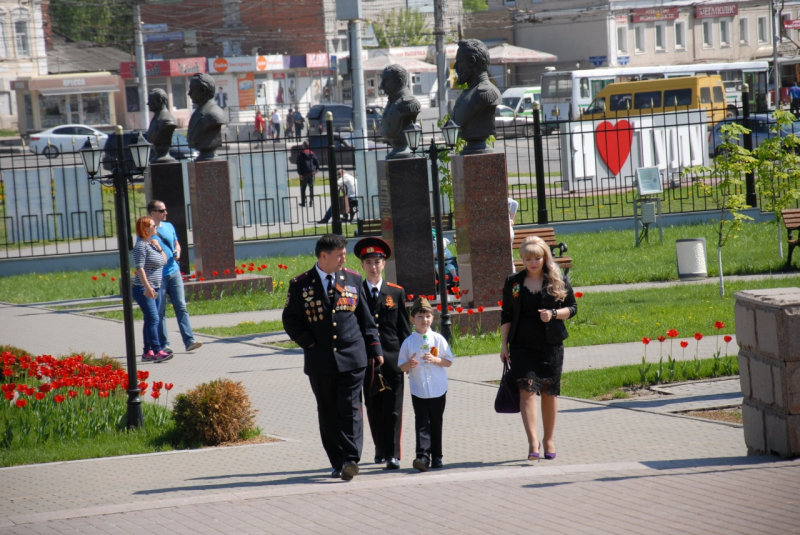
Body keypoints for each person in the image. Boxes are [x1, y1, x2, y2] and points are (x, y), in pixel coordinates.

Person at [282, 234, 384, 481]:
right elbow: (290, 320)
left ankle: (351, 458)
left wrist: (375, 349)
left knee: (350, 407)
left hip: (353, 357)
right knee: (328, 412)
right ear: (323, 256)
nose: (343, 259)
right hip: (321, 361)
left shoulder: (352, 278)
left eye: (344, 254)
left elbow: (365, 319)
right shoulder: (300, 284)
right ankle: (337, 461)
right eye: (339, 255)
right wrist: (309, 343)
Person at [499, 236, 577, 462]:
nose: (533, 262)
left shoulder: (556, 278)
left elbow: (572, 308)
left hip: (550, 345)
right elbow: (506, 314)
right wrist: (504, 345)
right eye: (528, 258)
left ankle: (549, 439)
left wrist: (553, 314)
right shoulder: (513, 281)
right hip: (521, 345)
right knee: (526, 390)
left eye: (537, 258)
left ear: (545, 257)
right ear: (522, 259)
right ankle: (533, 442)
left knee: (549, 392)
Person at [354, 237, 412, 470]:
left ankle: (393, 454)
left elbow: (404, 329)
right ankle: (380, 449)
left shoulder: (395, 293)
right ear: (362, 266)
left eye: (377, 261)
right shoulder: (355, 292)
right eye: (368, 262)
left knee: (394, 409)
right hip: (366, 360)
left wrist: (408, 359)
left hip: (393, 360)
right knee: (373, 407)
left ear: (384, 263)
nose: (373, 266)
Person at [398, 296, 453, 472]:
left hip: (438, 388)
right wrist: (410, 365)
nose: (424, 320)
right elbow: (402, 366)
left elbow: (448, 361)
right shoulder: (408, 342)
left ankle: (437, 456)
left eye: (427, 316)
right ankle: (422, 456)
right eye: (420, 317)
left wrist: (436, 359)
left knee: (436, 421)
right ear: (413, 319)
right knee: (422, 422)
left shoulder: (438, 339)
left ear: (432, 317)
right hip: (419, 388)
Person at [148, 200, 204, 355]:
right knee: (160, 311)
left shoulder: (169, 226)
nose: (165, 213)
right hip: (158, 275)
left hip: (174, 272)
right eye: (162, 210)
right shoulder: (146, 231)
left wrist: (178, 251)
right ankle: (164, 344)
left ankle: (189, 341)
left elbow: (176, 243)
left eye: (165, 210)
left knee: (181, 306)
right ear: (153, 213)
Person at [132, 216, 172, 363]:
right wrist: (147, 288)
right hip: (144, 288)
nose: (156, 227)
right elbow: (139, 268)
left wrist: (159, 247)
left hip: (155, 287)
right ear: (145, 229)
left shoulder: (150, 244)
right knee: (154, 319)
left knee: (149, 320)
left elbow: (165, 261)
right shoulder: (140, 246)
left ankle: (147, 351)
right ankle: (157, 351)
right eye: (153, 225)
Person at [297, 140, 320, 207]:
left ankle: (303, 202)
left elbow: (299, 165)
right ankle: (311, 202)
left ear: (304, 145)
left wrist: (300, 173)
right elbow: (317, 162)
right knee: (311, 187)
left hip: (304, 173)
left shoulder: (301, 154)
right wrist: (316, 169)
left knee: (303, 188)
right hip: (311, 173)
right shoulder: (311, 153)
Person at [508, 197, 519, 272]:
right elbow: (515, 203)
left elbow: (515, 203)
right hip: (508, 228)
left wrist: (511, 220)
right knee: (509, 255)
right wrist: (511, 219)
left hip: (507, 228)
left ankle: (512, 275)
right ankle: (513, 274)